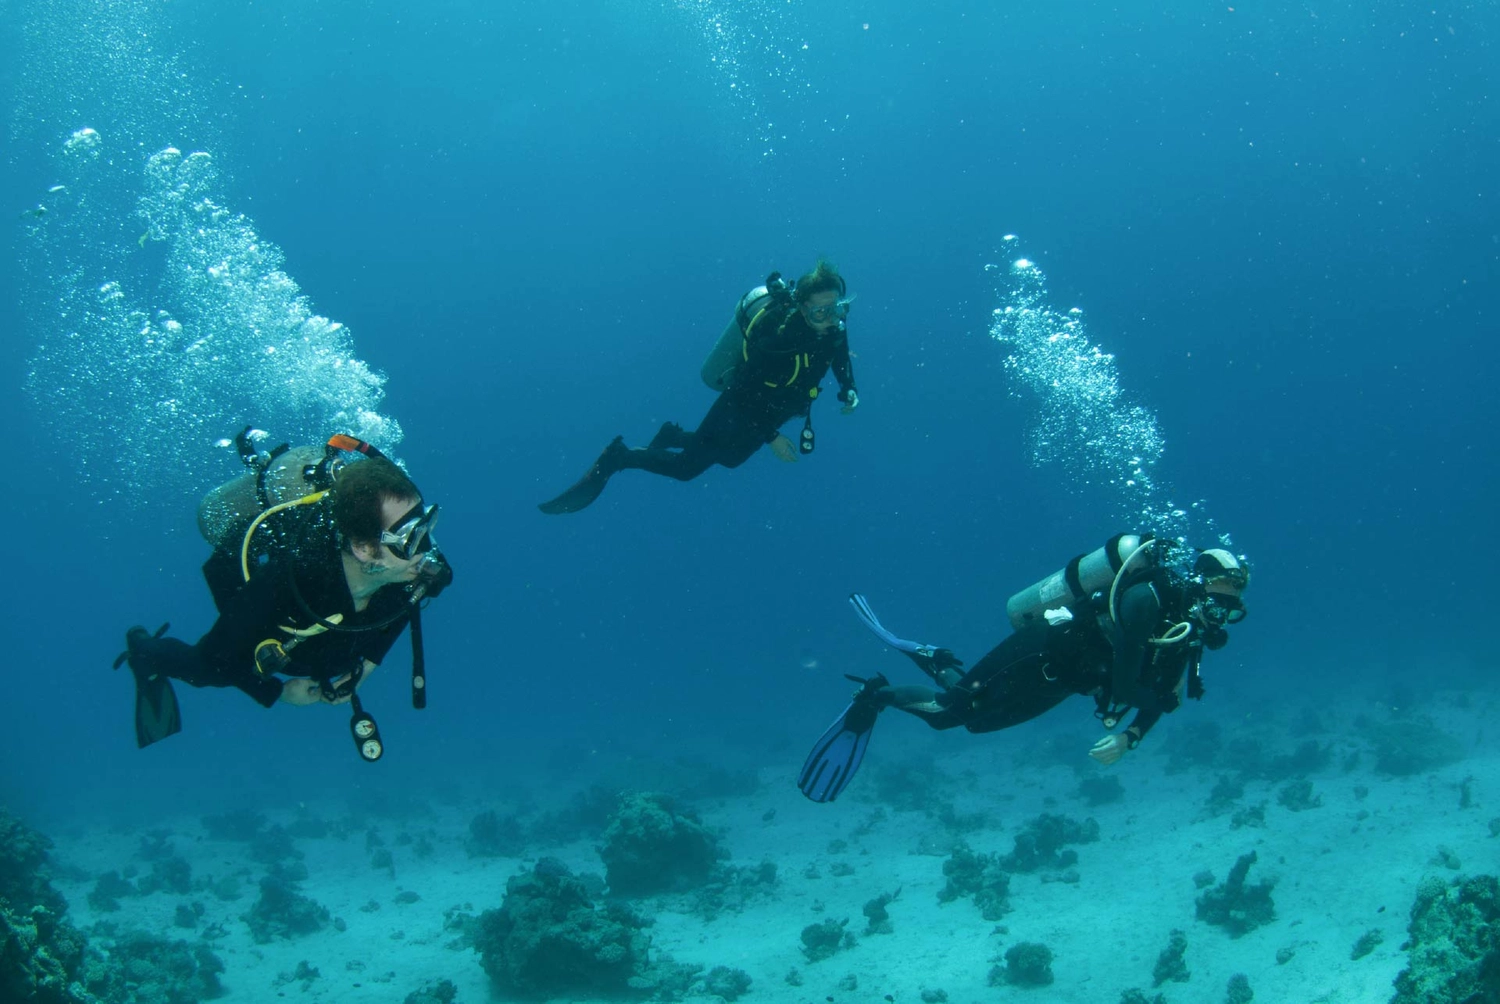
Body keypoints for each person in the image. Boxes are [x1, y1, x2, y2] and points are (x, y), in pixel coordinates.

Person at [797, 535, 1250, 803]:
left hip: (1065, 681)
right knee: (949, 715)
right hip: (1041, 649)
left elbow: (1163, 693)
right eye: (1222, 598)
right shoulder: (1144, 602)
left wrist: (1130, 737)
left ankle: (937, 661)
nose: (1224, 612)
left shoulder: (1184, 628)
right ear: (1200, 583)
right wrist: (1152, 707)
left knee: (976, 723)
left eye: (1232, 605)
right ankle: (875, 695)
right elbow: (1133, 687)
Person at [116, 432, 453, 761]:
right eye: (412, 537)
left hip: (329, 636)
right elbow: (217, 657)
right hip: (265, 611)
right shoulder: (290, 581)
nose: (429, 551)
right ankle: (142, 651)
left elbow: (417, 595)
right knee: (208, 670)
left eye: (428, 524)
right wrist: (276, 691)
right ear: (364, 549)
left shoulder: (411, 567)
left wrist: (369, 664)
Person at [538, 260, 860, 514]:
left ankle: (672, 435)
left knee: (731, 459)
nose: (831, 318)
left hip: (776, 409)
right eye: (820, 311)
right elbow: (744, 391)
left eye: (836, 308)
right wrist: (772, 437)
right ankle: (618, 457)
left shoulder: (833, 327)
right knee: (685, 469)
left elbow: (839, 353)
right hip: (739, 406)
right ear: (803, 308)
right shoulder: (778, 342)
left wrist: (848, 387)